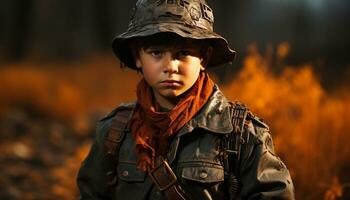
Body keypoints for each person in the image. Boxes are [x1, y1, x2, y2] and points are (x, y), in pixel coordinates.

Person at [77, 0, 295, 199]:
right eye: (156, 53)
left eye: (182, 53)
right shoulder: (115, 132)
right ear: (137, 57)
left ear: (204, 57)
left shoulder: (240, 134)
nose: (170, 67)